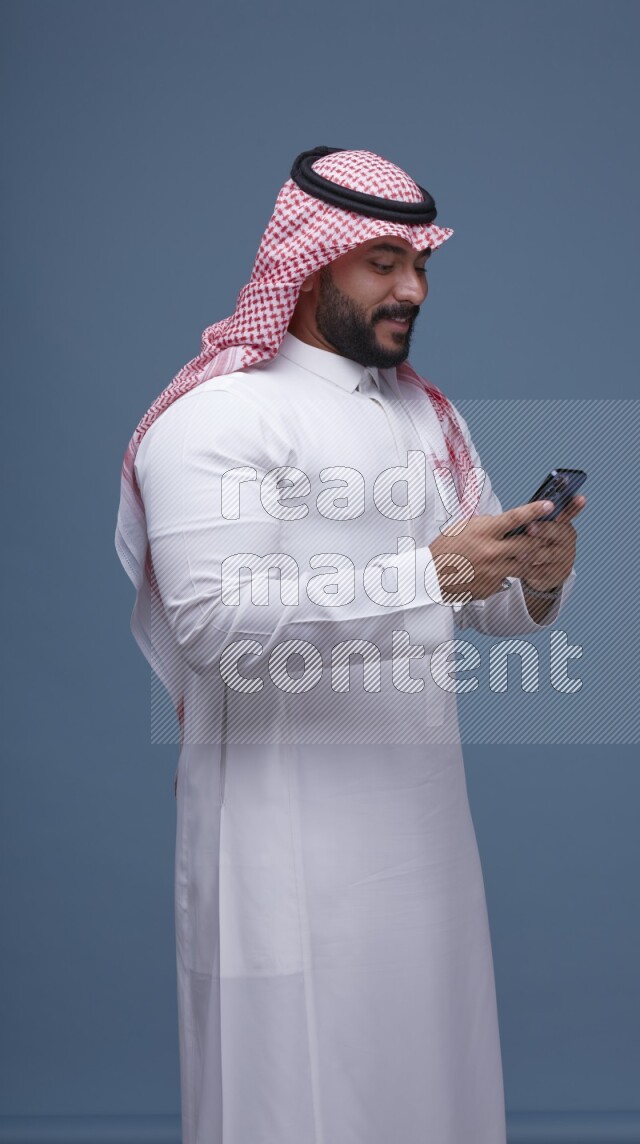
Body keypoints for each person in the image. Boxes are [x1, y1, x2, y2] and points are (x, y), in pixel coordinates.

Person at [115, 146, 584, 1144]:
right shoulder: (218, 418)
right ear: (311, 263)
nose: (410, 289)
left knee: (430, 1087)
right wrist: (431, 572)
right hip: (279, 844)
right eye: (381, 262)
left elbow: (479, 598)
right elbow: (213, 623)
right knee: (295, 1099)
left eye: (419, 265)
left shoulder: (423, 413)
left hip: (422, 837)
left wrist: (536, 576)